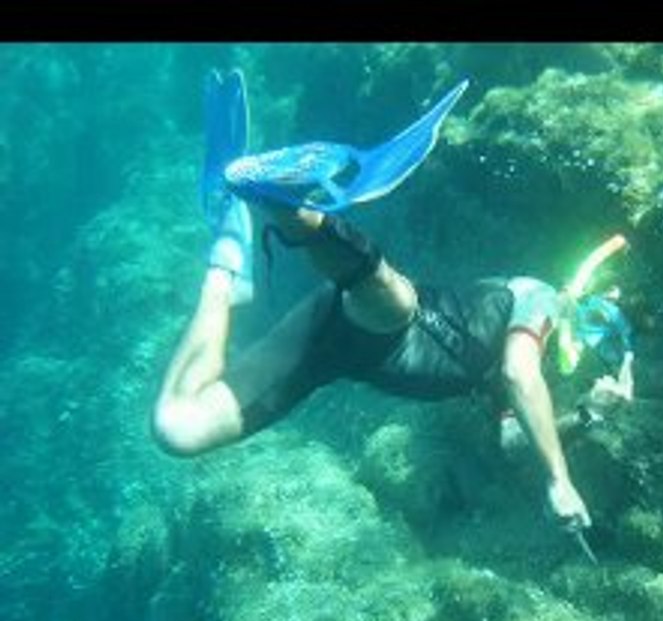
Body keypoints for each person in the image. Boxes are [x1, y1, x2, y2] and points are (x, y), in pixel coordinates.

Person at [151, 69, 636, 535]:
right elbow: (518, 373)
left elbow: (512, 442)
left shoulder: (530, 387)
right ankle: (287, 200)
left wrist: (590, 416)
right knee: (390, 301)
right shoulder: (543, 299)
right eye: (597, 317)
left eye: (604, 335)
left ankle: (228, 254)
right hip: (396, 320)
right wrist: (560, 480)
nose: (591, 335)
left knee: (177, 430)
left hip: (333, 352)